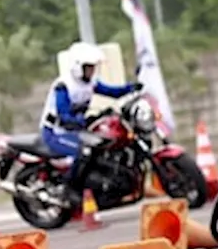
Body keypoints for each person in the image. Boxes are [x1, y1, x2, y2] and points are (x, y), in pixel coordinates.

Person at [37, 41, 144, 206]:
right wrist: (82, 120)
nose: (92, 70)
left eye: (93, 67)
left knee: (100, 146)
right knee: (84, 151)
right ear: (77, 67)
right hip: (55, 132)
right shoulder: (63, 86)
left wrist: (131, 88)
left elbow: (111, 92)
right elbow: (64, 114)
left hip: (74, 130)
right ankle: (69, 188)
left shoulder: (90, 83)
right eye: (88, 67)